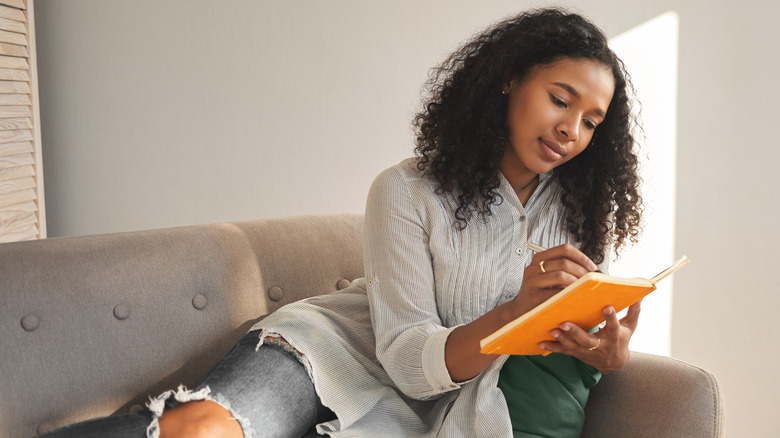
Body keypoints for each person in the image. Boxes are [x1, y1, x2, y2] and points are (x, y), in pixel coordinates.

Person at [39, 7, 643, 438]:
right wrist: (513, 311)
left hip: (429, 408)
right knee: (200, 433)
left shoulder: (580, 210)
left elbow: (548, 350)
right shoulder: (407, 190)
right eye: (560, 100)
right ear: (509, 79)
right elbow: (407, 357)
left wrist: (605, 354)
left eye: (592, 121)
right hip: (333, 354)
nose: (572, 130)